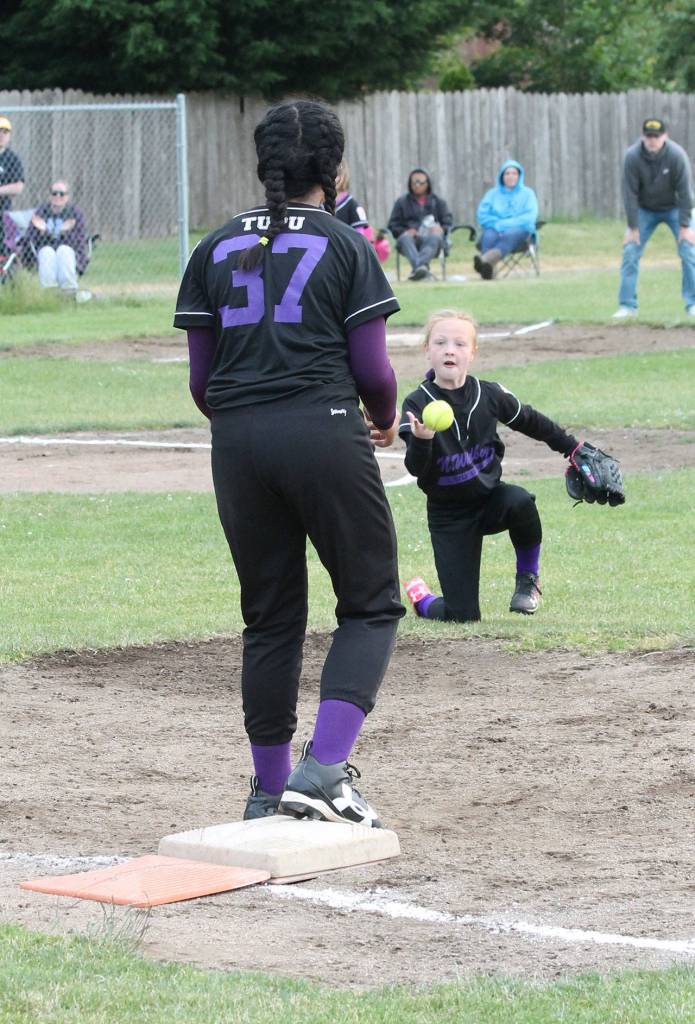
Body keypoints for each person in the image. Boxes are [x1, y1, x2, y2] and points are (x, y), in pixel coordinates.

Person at [173, 100, 404, 828]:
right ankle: (324, 772)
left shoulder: (211, 246)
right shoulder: (344, 242)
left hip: (236, 441)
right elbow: (372, 368)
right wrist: (383, 416)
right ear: (334, 173)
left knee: (270, 619)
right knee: (370, 603)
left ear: (263, 166)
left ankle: (267, 790)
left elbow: (201, 385)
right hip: (324, 428)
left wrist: (250, 430)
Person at [400, 309, 585, 623]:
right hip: (449, 515)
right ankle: (423, 599)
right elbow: (417, 468)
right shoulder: (418, 402)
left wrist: (573, 449)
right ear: (427, 350)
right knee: (462, 616)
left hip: (489, 501)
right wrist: (422, 439)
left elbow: (531, 421)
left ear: (472, 352)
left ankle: (528, 581)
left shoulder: (489, 394)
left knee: (521, 501)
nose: (449, 349)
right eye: (440, 342)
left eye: (459, 343)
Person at [613, 118, 695, 319]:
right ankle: (627, 306)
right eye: (648, 136)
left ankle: (693, 304)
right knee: (630, 251)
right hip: (645, 209)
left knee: (688, 250)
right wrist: (633, 227)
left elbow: (685, 193)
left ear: (664, 137)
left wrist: (685, 227)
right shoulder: (632, 156)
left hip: (676, 208)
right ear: (643, 137)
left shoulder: (677, 155)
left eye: (656, 137)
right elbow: (629, 193)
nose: (652, 141)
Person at [474, 159, 538, 280]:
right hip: (495, 227)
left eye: (514, 173)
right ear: (502, 176)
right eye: (507, 173)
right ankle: (487, 271)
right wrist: (496, 224)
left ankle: (485, 260)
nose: (510, 176)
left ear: (519, 176)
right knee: (488, 235)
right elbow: (482, 215)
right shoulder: (492, 194)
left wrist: (505, 224)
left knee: (509, 233)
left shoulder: (528, 194)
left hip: (521, 231)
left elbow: (529, 217)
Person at [22, 180, 90, 291]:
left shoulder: (75, 213)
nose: (58, 196)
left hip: (69, 252)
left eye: (62, 194)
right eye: (54, 193)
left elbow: (79, 241)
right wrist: (43, 232)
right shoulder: (41, 212)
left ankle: (69, 290)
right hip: (45, 250)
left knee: (63, 250)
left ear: (67, 197)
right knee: (47, 252)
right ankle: (49, 291)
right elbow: (30, 238)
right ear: (50, 196)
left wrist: (62, 233)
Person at [387, 168, 452, 280]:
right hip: (410, 242)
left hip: (431, 242)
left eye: (421, 182)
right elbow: (392, 224)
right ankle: (421, 269)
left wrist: (440, 229)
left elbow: (448, 223)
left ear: (428, 184)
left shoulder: (438, 202)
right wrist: (404, 232)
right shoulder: (401, 202)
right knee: (405, 238)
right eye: (414, 182)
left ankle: (417, 270)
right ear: (410, 184)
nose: (417, 185)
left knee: (436, 237)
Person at [335, 161, 390, 263]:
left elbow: (359, 238)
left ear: (343, 177)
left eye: (336, 175)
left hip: (348, 254)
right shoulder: (319, 204)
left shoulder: (352, 206)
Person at [0, 116, 25, 258]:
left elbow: (18, 187)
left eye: (5, 132)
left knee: (4, 245)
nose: (1, 135)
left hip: (3, 210)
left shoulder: (12, 158)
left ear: (9, 136)